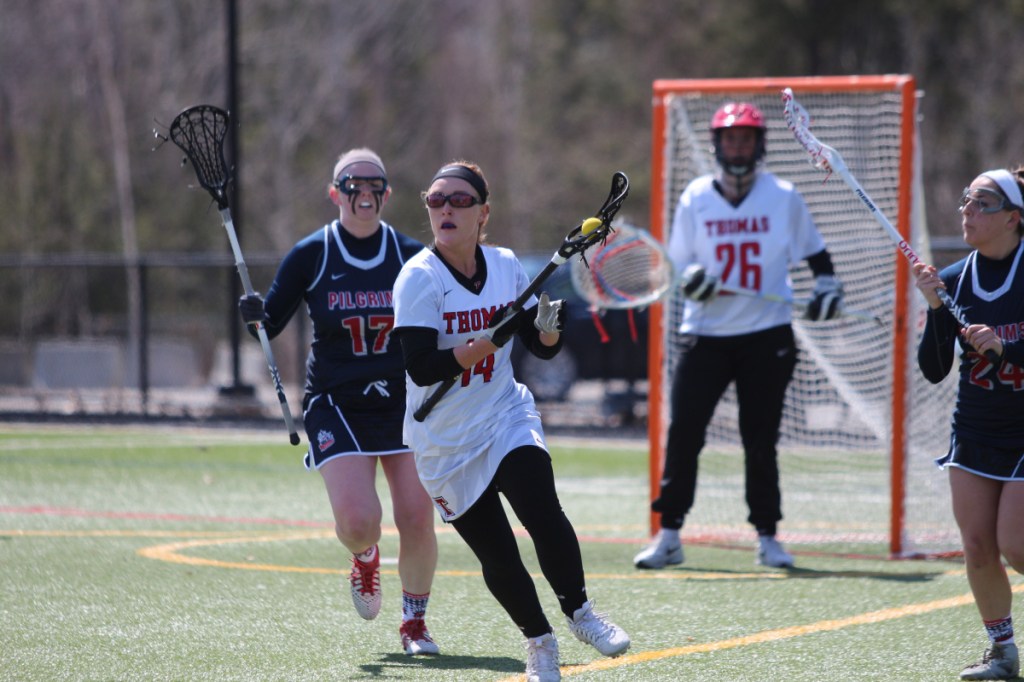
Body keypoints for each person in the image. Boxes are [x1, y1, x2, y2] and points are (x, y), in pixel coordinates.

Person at [392, 160, 630, 682]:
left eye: (459, 200)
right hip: (443, 442)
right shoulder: (418, 277)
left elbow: (541, 351)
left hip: (504, 414)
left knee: (542, 508)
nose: (446, 209)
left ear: (483, 214)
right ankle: (539, 642)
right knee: (498, 554)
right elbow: (420, 366)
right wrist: (483, 342)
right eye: (436, 200)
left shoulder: (505, 267)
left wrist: (546, 331)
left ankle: (581, 613)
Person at [237, 148, 440, 656]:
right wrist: (253, 313)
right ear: (335, 193)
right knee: (357, 521)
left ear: (387, 194)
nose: (364, 194)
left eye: (375, 185)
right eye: (354, 184)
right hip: (336, 400)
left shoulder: (412, 256)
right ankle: (365, 557)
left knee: (416, 515)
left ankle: (414, 624)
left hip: (401, 400)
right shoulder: (313, 253)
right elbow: (271, 323)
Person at [634, 102, 845, 571]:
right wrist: (692, 278)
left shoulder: (783, 195)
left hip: (765, 334)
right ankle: (669, 534)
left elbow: (818, 256)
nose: (737, 146)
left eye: (746, 138)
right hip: (705, 333)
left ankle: (768, 535)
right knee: (685, 433)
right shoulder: (695, 196)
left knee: (760, 438)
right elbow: (674, 267)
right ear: (718, 143)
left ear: (758, 144)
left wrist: (828, 287)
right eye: (730, 138)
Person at [913, 167, 1024, 681]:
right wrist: (937, 308)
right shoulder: (956, 279)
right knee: (978, 546)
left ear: (1013, 218)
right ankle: (1003, 654)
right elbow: (935, 368)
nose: (966, 211)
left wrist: (1008, 348)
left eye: (981, 203)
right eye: (965, 201)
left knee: (1017, 545)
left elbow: (1009, 352)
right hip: (976, 429)